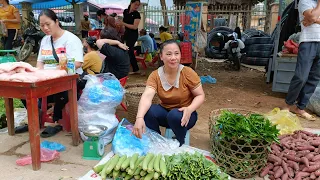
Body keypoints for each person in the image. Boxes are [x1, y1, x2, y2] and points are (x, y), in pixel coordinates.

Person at [132, 39, 205, 146]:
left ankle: (180, 142)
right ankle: (157, 143)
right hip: (165, 113)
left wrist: (189, 109)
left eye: (176, 53)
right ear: (161, 56)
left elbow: (200, 95)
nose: (173, 58)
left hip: (185, 115)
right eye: (169, 54)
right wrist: (139, 118)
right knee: (148, 111)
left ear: (180, 55)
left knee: (174, 115)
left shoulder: (188, 73)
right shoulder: (155, 75)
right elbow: (147, 96)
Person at [36, 9, 83, 122]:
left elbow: (77, 63)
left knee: (62, 94)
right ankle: (40, 113)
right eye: (42, 25)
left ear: (56, 22)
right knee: (24, 92)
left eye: (48, 24)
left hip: (67, 78)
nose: (45, 28)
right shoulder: (45, 40)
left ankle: (56, 118)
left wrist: (59, 72)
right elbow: (40, 62)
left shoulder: (71, 39)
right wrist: (39, 74)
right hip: (47, 78)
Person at [282, 0, 320, 121]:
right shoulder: (305, 2)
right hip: (308, 41)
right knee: (301, 76)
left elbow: (312, 18)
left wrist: (313, 20)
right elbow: (313, 16)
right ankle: (287, 105)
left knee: (314, 78)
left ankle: (300, 108)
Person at [120, 0, 141, 75]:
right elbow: (123, 22)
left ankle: (136, 69)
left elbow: (135, 27)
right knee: (122, 48)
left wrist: (123, 24)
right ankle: (126, 66)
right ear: (131, 3)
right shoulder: (125, 11)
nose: (137, 6)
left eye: (138, 5)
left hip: (133, 35)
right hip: (126, 33)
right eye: (135, 4)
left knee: (130, 50)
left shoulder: (137, 14)